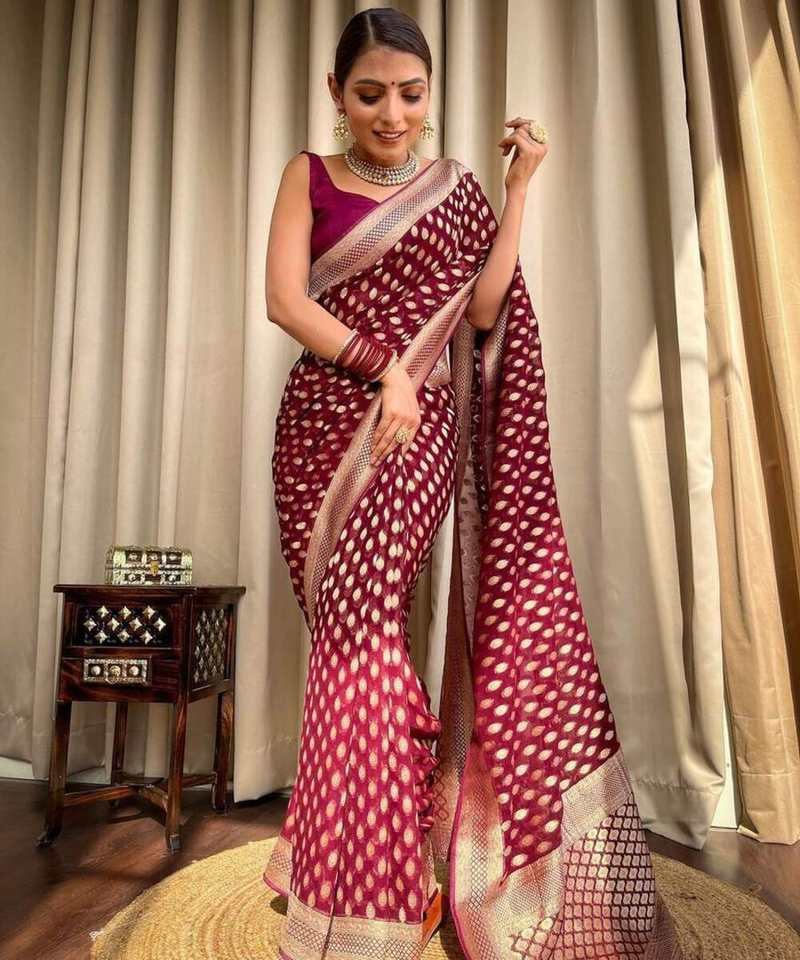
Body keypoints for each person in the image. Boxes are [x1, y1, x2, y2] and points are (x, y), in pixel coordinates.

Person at [262, 7, 685, 959]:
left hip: (415, 431)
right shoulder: (307, 175)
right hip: (322, 429)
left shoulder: (454, 191)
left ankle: (372, 894)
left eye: (411, 95)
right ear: (336, 94)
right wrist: (383, 368)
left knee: (367, 638)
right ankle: (344, 869)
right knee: (342, 645)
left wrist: (516, 190)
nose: (393, 114)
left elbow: (485, 309)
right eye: (370, 94)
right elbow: (284, 298)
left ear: (430, 95)